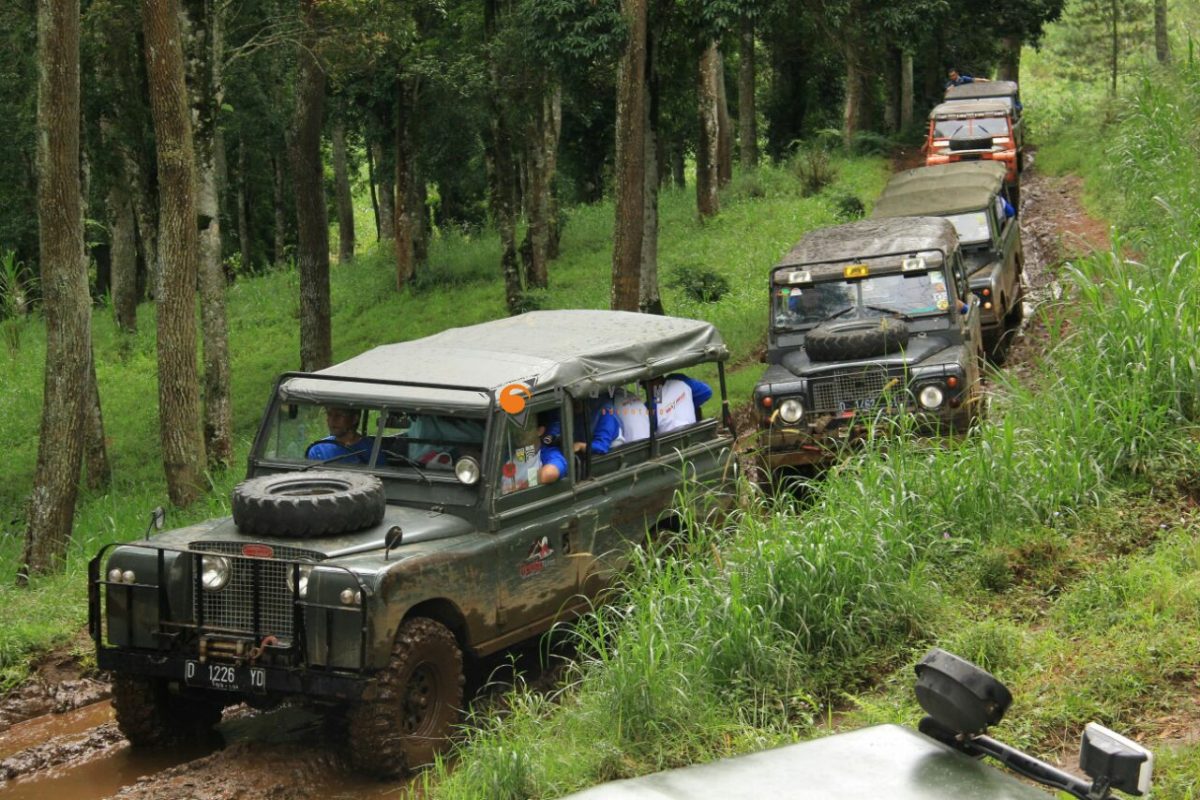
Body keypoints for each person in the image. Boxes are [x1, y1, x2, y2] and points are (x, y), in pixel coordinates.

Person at [538, 398, 621, 483]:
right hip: (569, 451)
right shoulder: (564, 408)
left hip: (605, 454)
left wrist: (581, 446)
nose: (575, 403)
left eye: (577, 399)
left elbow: (602, 445)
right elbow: (554, 431)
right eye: (572, 400)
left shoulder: (606, 412)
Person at [306, 407, 376, 464]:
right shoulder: (318, 450)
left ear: (354, 419)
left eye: (339, 415)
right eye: (329, 414)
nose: (332, 420)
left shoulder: (372, 450)